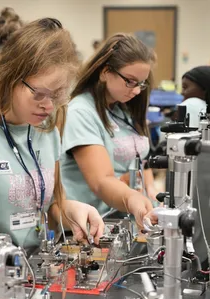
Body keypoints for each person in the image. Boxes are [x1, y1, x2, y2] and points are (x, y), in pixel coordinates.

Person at [0, 18, 104, 251]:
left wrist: (71, 211)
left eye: (58, 95)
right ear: (9, 78)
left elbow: (49, 205)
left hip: (40, 260)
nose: (48, 106)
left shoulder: (48, 125)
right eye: (39, 94)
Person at [60, 33, 157, 230]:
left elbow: (141, 159)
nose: (137, 90)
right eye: (130, 81)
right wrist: (132, 198)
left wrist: (152, 194)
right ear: (105, 72)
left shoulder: (122, 108)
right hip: (94, 225)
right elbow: (101, 181)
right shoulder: (81, 112)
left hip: (125, 218)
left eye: (141, 83)